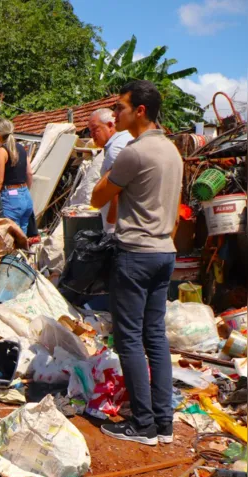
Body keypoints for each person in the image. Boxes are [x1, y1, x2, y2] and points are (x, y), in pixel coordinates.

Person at [91, 80, 183, 446]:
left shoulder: (134, 152)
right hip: (164, 251)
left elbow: (98, 198)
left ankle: (142, 424)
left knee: (129, 339)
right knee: (155, 338)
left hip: (136, 253)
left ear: (140, 111)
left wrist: (112, 182)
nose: (116, 114)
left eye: (120, 107)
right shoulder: (172, 152)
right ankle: (164, 422)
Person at [87, 107, 133, 232]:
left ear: (110, 125)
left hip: (120, 227)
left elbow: (117, 191)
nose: (92, 136)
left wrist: (110, 226)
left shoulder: (115, 149)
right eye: (90, 131)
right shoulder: (123, 141)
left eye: (95, 129)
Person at [0, 119, 33, 233]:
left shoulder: (1, 151)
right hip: (25, 195)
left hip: (11, 198)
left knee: (10, 239)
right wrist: (25, 192)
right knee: (21, 238)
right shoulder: (21, 148)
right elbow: (29, 173)